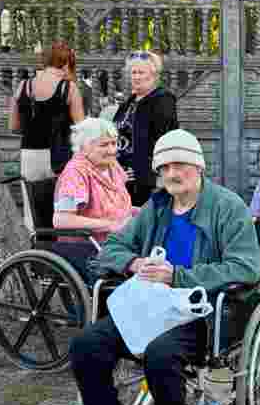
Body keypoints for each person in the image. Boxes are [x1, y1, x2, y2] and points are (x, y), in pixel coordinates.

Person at [68, 129, 259, 405]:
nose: (173, 172)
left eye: (181, 163)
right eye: (165, 165)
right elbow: (114, 248)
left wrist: (180, 276)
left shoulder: (228, 206)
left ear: (198, 166)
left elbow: (245, 267)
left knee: (160, 355)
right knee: (86, 346)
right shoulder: (155, 208)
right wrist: (134, 263)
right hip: (149, 306)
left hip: (198, 312)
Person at [50, 118, 137, 282]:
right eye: (104, 145)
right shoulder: (75, 174)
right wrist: (111, 225)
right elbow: (61, 219)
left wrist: (138, 213)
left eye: (114, 143)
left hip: (119, 241)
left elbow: (117, 206)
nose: (112, 150)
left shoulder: (112, 166)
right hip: (88, 247)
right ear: (84, 147)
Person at [9, 41, 86, 181]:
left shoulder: (23, 85)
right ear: (67, 64)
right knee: (61, 200)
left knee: (33, 199)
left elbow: (14, 127)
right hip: (60, 157)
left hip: (29, 155)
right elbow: (82, 129)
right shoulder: (69, 88)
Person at [113, 50, 179, 206]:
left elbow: (165, 139)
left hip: (146, 179)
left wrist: (146, 171)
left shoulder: (162, 100)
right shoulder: (128, 103)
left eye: (141, 72)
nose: (136, 77)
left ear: (154, 75)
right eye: (133, 72)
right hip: (121, 176)